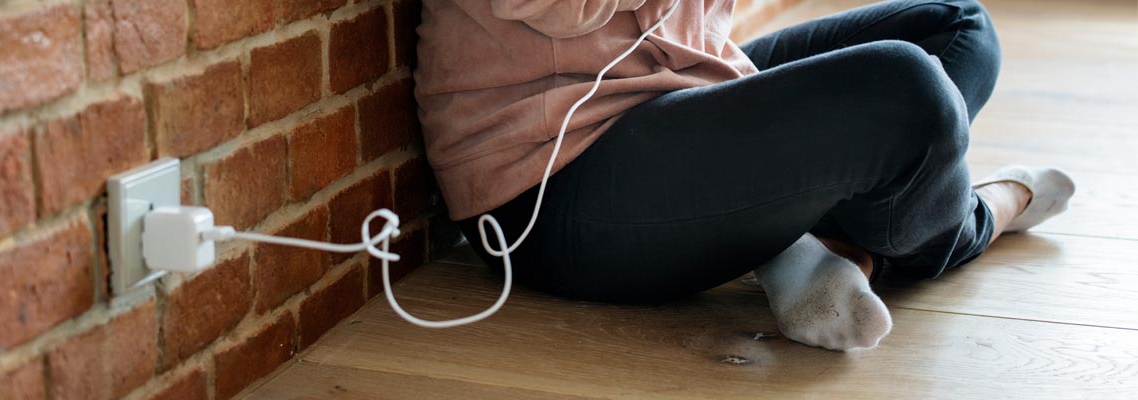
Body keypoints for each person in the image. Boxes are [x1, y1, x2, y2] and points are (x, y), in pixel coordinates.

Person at [412, 0, 1075, 350]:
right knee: (909, 91)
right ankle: (976, 218)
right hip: (555, 181)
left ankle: (819, 245)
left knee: (958, 28)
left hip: (683, 86)